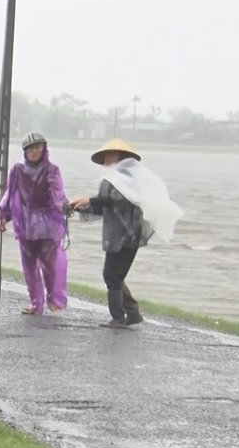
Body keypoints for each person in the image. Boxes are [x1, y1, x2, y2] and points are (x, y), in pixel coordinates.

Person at [69, 138, 183, 328]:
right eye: (105, 155)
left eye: (112, 154)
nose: (107, 158)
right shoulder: (109, 180)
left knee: (111, 276)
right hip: (116, 234)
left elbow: (117, 200)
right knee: (115, 276)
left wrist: (90, 200)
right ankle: (132, 313)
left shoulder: (129, 181)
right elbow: (102, 207)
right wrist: (78, 206)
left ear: (122, 157)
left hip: (128, 234)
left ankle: (118, 318)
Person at [0, 132, 70, 315]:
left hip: (48, 224)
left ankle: (55, 300)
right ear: (25, 151)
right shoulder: (17, 170)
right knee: (29, 265)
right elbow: (10, 193)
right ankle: (36, 303)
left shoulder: (52, 170)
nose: (34, 151)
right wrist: (3, 215)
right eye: (30, 148)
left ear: (44, 149)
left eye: (37, 147)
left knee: (52, 265)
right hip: (25, 224)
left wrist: (64, 207)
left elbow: (57, 193)